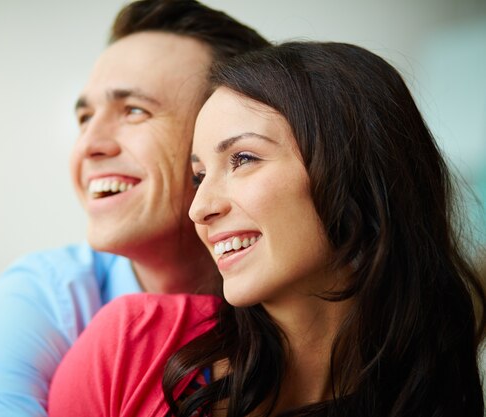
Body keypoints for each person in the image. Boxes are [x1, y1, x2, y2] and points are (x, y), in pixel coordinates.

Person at [48, 41, 486, 416]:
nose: (199, 208)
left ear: (355, 176)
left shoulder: (438, 386)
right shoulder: (129, 345)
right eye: (199, 176)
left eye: (242, 159)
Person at [0, 1, 269, 416]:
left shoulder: (295, 299)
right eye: (85, 117)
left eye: (134, 111)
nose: (89, 145)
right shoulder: (43, 299)